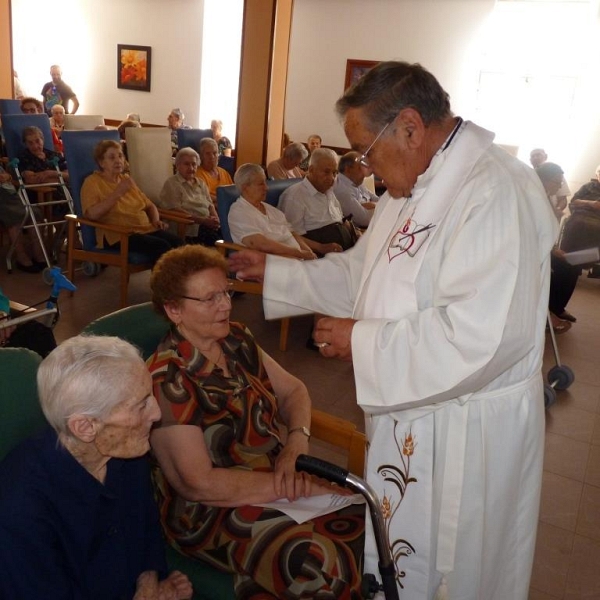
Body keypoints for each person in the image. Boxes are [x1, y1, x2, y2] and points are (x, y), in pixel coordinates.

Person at [230, 61, 558, 599]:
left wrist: (360, 341)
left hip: (465, 433)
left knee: (454, 573)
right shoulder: (411, 189)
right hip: (414, 417)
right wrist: (279, 271)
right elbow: (363, 275)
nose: (365, 167)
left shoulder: (495, 191)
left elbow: (485, 339)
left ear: (409, 127)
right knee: (402, 561)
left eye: (365, 151)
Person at [147, 245, 364, 599]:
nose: (226, 305)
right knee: (318, 559)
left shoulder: (235, 338)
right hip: (208, 511)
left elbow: (294, 391)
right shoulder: (166, 378)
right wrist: (300, 488)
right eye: (209, 299)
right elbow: (197, 484)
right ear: (174, 310)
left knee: (367, 519)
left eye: (226, 292)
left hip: (277, 475)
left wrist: (297, 440)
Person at [0, 335, 193, 599]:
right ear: (86, 427)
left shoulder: (125, 451)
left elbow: (146, 525)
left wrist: (149, 582)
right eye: (141, 405)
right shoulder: (20, 508)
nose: (156, 413)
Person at [81, 140, 182, 263]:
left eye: (120, 156)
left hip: (144, 229)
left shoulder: (126, 179)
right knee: (161, 247)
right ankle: (164, 281)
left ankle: (181, 281)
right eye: (112, 157)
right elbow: (91, 214)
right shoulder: (92, 182)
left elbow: (149, 205)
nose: (118, 160)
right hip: (119, 235)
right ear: (102, 163)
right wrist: (118, 192)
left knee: (179, 243)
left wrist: (155, 220)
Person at [228, 163, 316, 259]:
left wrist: (309, 253)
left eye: (265, 182)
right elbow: (260, 244)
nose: (266, 188)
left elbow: (292, 234)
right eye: (261, 184)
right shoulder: (239, 212)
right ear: (245, 187)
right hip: (268, 264)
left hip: (296, 261)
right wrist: (299, 253)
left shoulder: (272, 211)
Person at [278, 147, 355, 254]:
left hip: (345, 252)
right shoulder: (295, 196)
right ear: (311, 170)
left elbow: (340, 220)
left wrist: (354, 232)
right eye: (326, 172)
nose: (332, 178)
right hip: (319, 256)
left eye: (334, 173)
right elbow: (290, 235)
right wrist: (320, 247)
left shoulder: (329, 192)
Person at [535, 162, 580, 331]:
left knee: (572, 267)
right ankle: (547, 312)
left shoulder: (545, 196)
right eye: (557, 181)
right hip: (533, 251)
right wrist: (553, 251)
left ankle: (555, 308)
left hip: (544, 248)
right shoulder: (535, 196)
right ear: (544, 179)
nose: (560, 185)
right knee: (561, 269)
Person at [158, 147, 221, 246]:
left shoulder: (201, 183)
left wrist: (216, 220)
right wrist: (203, 221)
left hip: (206, 223)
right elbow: (175, 210)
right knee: (219, 243)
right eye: (186, 164)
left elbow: (210, 205)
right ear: (177, 166)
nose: (191, 168)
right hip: (189, 227)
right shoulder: (172, 184)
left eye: (194, 164)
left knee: (228, 233)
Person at [0, 164, 46, 273]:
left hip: (12, 197)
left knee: (34, 212)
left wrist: (8, 177)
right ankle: (21, 257)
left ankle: (38, 253)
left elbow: (8, 178)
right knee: (13, 215)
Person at [333, 151, 378, 228]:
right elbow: (365, 220)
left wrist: (374, 205)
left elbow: (379, 199)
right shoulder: (342, 190)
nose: (365, 172)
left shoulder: (357, 182)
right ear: (348, 169)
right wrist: (376, 205)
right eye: (360, 168)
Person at [529, 148, 570, 216]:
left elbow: (562, 199)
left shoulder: (557, 174)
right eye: (533, 156)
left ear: (545, 156)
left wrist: (556, 210)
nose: (535, 158)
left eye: (538, 155)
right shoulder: (527, 176)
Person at [195, 137, 233, 203]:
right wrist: (223, 200)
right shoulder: (197, 174)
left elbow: (233, 191)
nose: (212, 157)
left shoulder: (224, 172)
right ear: (201, 156)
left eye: (215, 153)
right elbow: (202, 197)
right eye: (207, 153)